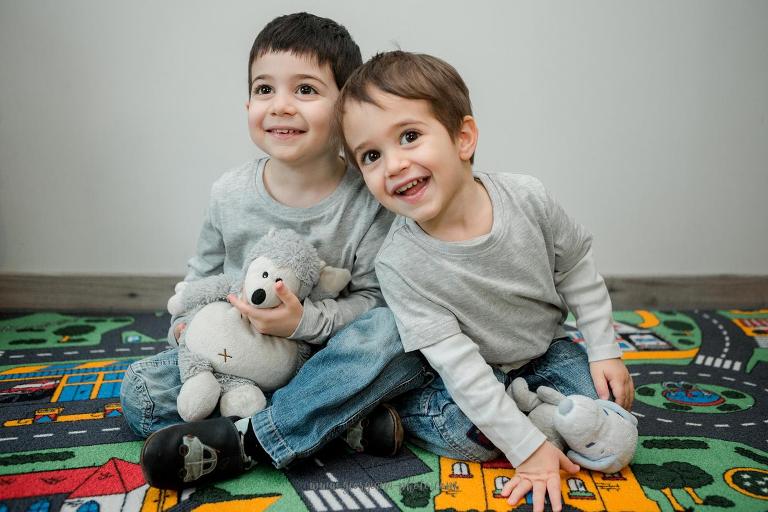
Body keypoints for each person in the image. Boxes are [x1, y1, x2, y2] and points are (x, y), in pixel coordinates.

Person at [121, 15, 430, 489]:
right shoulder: (229, 193)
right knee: (141, 392)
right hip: (232, 360)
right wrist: (186, 332)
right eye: (264, 89)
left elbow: (374, 303)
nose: (280, 106)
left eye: (305, 90)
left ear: (346, 108)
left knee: (395, 334)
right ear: (247, 101)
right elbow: (200, 277)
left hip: (323, 359)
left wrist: (300, 324)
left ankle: (255, 436)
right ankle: (336, 423)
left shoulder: (368, 199)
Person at [337, 51, 635, 512]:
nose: (393, 164)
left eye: (410, 136)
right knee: (473, 436)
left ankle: (537, 412)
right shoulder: (399, 262)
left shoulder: (527, 199)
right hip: (469, 373)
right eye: (371, 155)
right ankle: (393, 416)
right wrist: (529, 453)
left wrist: (603, 350)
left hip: (543, 350)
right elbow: (462, 371)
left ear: (463, 138)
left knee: (602, 402)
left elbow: (577, 270)